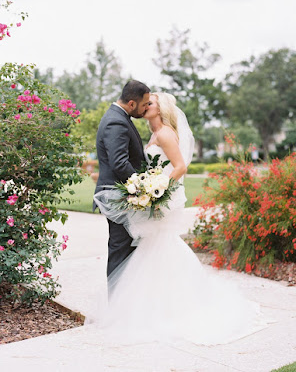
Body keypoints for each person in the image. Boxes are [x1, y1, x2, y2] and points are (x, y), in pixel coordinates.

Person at [91, 92, 268, 346]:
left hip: (158, 197)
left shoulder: (164, 133)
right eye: (144, 102)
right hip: (150, 197)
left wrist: (158, 188)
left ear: (160, 109)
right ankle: (148, 307)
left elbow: (180, 166)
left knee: (160, 248)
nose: (144, 106)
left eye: (149, 103)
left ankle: (175, 307)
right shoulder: (153, 134)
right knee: (149, 251)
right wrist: (149, 186)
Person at [94, 80, 150, 277]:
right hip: (118, 198)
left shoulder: (120, 117)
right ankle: (116, 305)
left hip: (123, 197)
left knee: (127, 251)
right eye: (144, 105)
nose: (145, 109)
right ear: (132, 103)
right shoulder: (116, 121)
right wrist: (145, 188)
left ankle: (124, 303)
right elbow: (119, 163)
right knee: (120, 251)